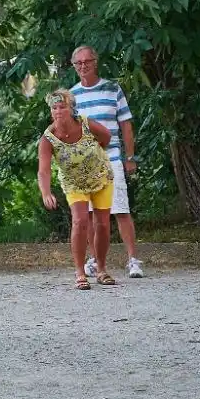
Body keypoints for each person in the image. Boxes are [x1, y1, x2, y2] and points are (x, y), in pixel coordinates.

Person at [70, 45, 145, 279]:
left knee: (121, 210)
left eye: (87, 61)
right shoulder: (72, 95)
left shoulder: (113, 89)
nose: (83, 66)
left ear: (96, 62)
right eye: (79, 63)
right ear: (74, 67)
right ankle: (95, 259)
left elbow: (126, 125)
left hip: (111, 157)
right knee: (92, 214)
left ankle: (133, 259)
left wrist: (129, 157)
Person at [38, 89, 117, 290]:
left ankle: (101, 269)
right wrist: (46, 192)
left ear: (71, 108)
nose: (58, 111)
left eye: (62, 107)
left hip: (100, 176)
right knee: (80, 221)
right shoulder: (48, 138)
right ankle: (80, 272)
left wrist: (95, 152)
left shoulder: (85, 123)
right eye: (54, 108)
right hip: (74, 183)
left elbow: (106, 136)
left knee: (102, 223)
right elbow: (44, 171)